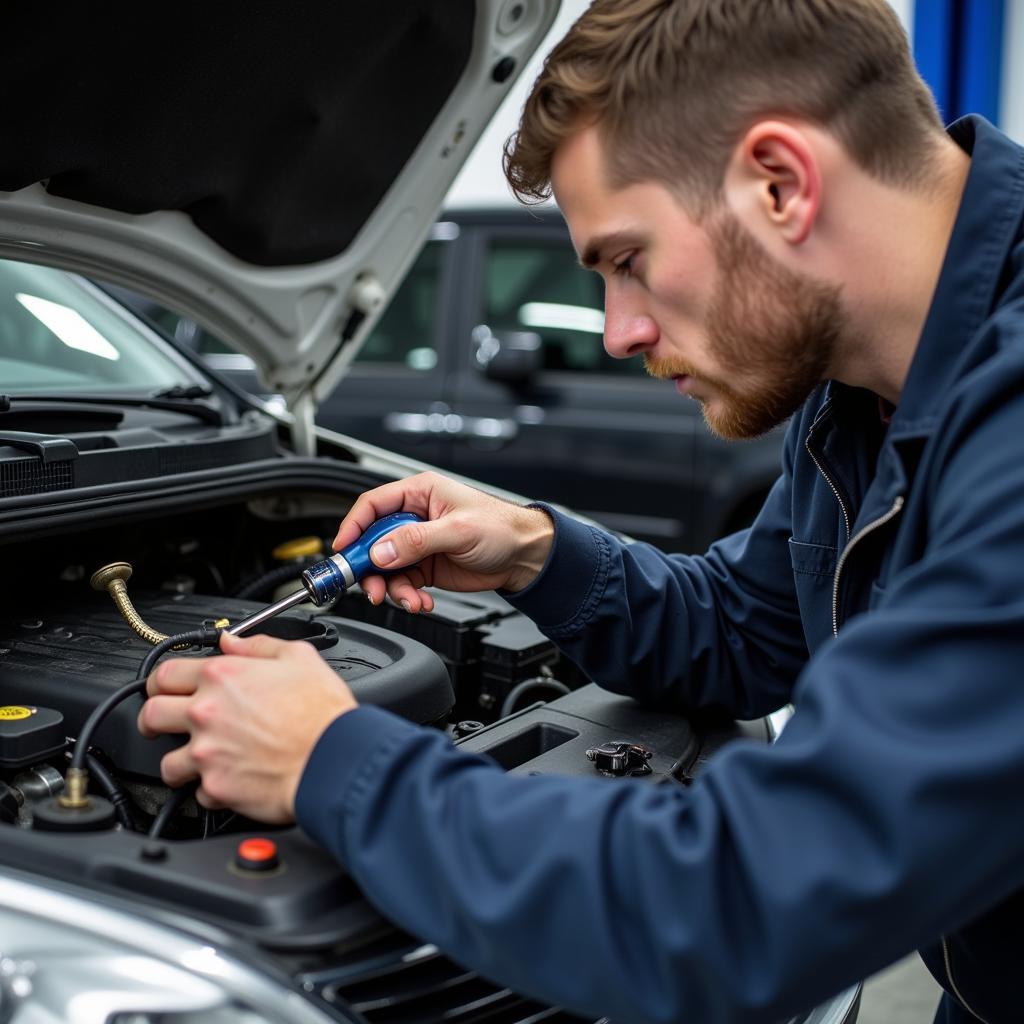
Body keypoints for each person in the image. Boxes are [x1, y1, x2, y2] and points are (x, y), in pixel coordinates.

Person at [138, 2, 1024, 1021]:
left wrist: (332, 760)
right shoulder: (868, 389)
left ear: (779, 183)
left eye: (626, 259)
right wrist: (533, 550)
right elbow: (748, 628)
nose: (617, 331)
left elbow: (736, 908)